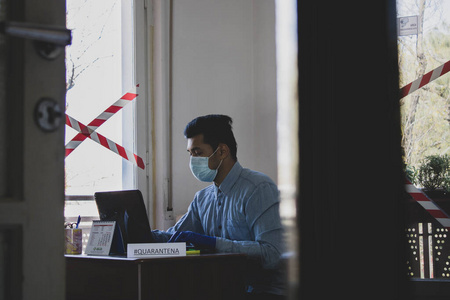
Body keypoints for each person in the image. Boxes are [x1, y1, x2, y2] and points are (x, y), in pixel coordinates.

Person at [152, 114, 285, 300]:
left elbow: (273, 254)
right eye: (190, 154)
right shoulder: (202, 198)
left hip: (264, 293)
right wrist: (140, 233)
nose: (193, 161)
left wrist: (215, 244)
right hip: (225, 289)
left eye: (197, 153)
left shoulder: (258, 188)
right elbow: (175, 237)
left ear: (222, 151)